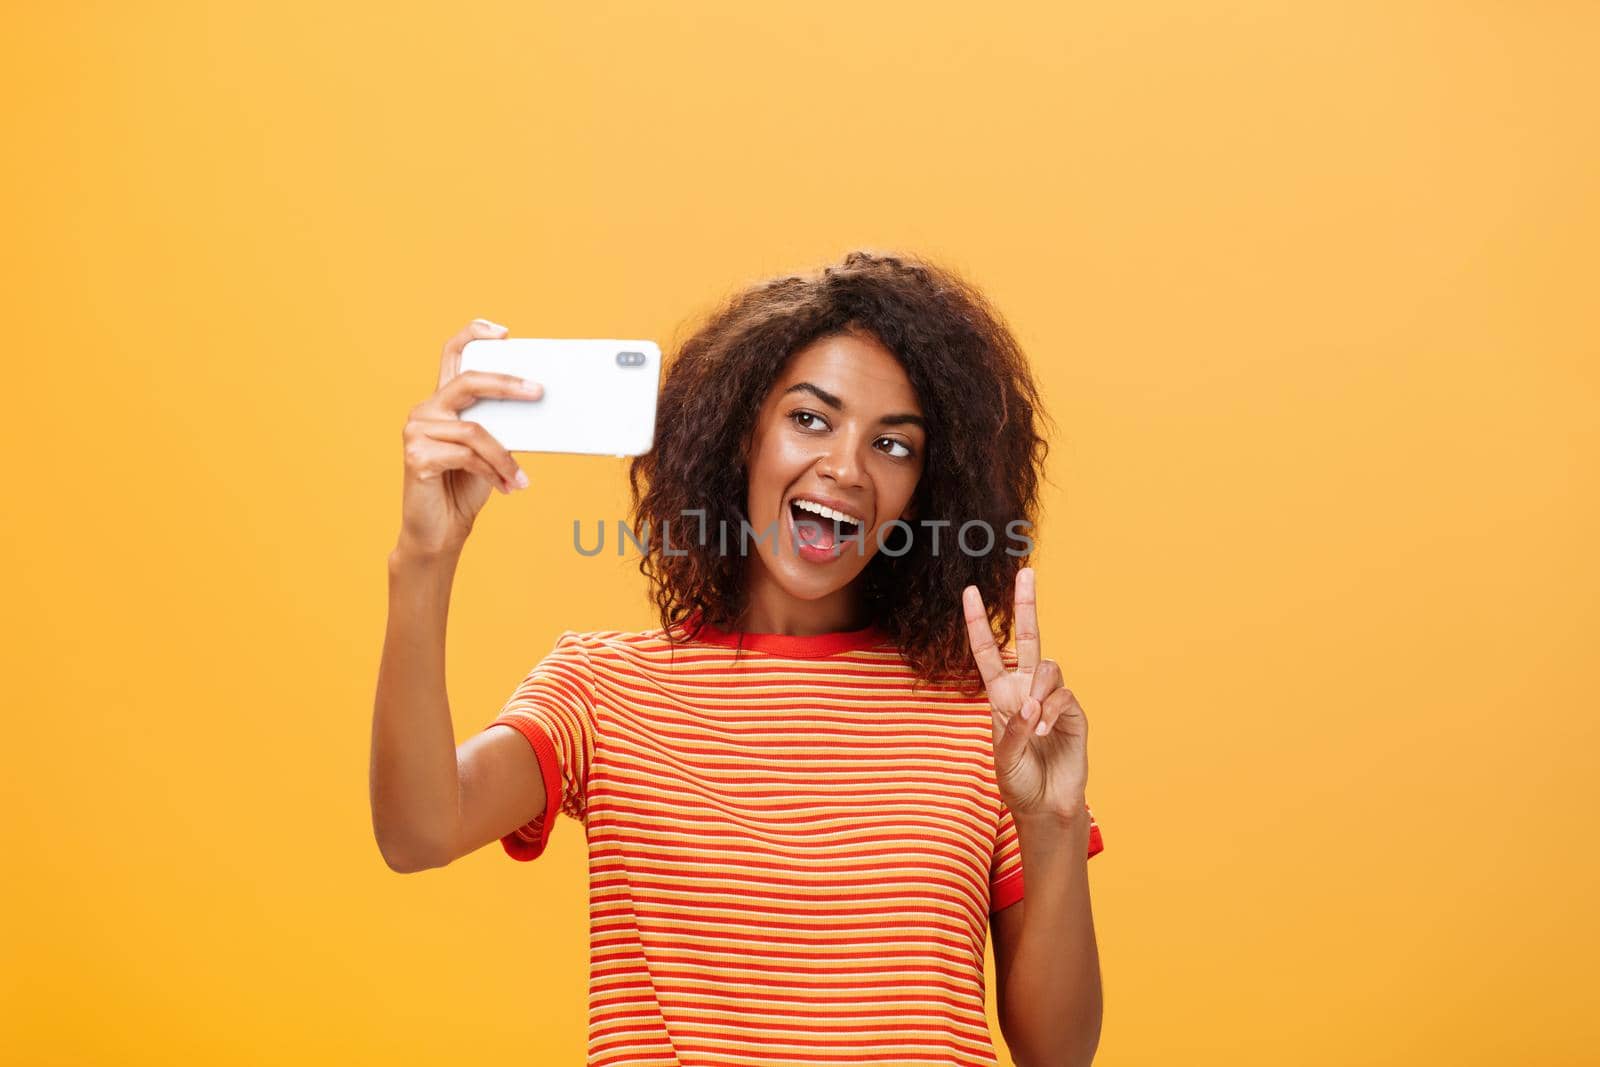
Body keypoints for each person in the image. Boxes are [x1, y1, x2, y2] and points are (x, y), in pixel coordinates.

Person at [371, 250, 1107, 1066]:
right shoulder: (602, 689)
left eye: (894, 447)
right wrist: (423, 558)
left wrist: (1052, 821)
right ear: (740, 434)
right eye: (811, 418)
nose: (845, 468)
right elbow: (417, 831)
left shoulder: (992, 715)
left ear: (927, 492)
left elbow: (1058, 1053)